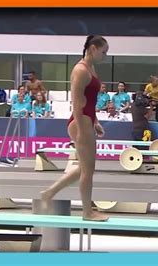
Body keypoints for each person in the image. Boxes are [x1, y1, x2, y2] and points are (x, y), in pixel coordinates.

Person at [41, 35, 109, 222]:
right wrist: (80, 130)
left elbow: (90, 101)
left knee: (85, 168)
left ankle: (49, 192)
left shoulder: (90, 68)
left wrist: (95, 121)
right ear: (93, 48)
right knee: (88, 170)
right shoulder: (80, 70)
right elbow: (77, 103)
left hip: (87, 120)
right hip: (80, 121)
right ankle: (87, 213)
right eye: (104, 52)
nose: (105, 56)